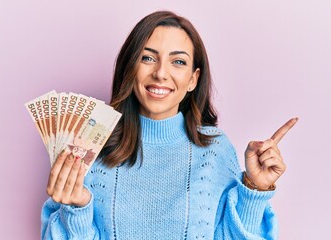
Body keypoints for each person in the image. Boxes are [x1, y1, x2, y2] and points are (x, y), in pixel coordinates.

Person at [41, 11, 297, 239]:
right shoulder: (88, 148)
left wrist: (255, 188)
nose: (161, 73)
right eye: (148, 58)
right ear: (130, 69)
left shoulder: (214, 149)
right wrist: (77, 212)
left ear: (193, 80)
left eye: (178, 62)